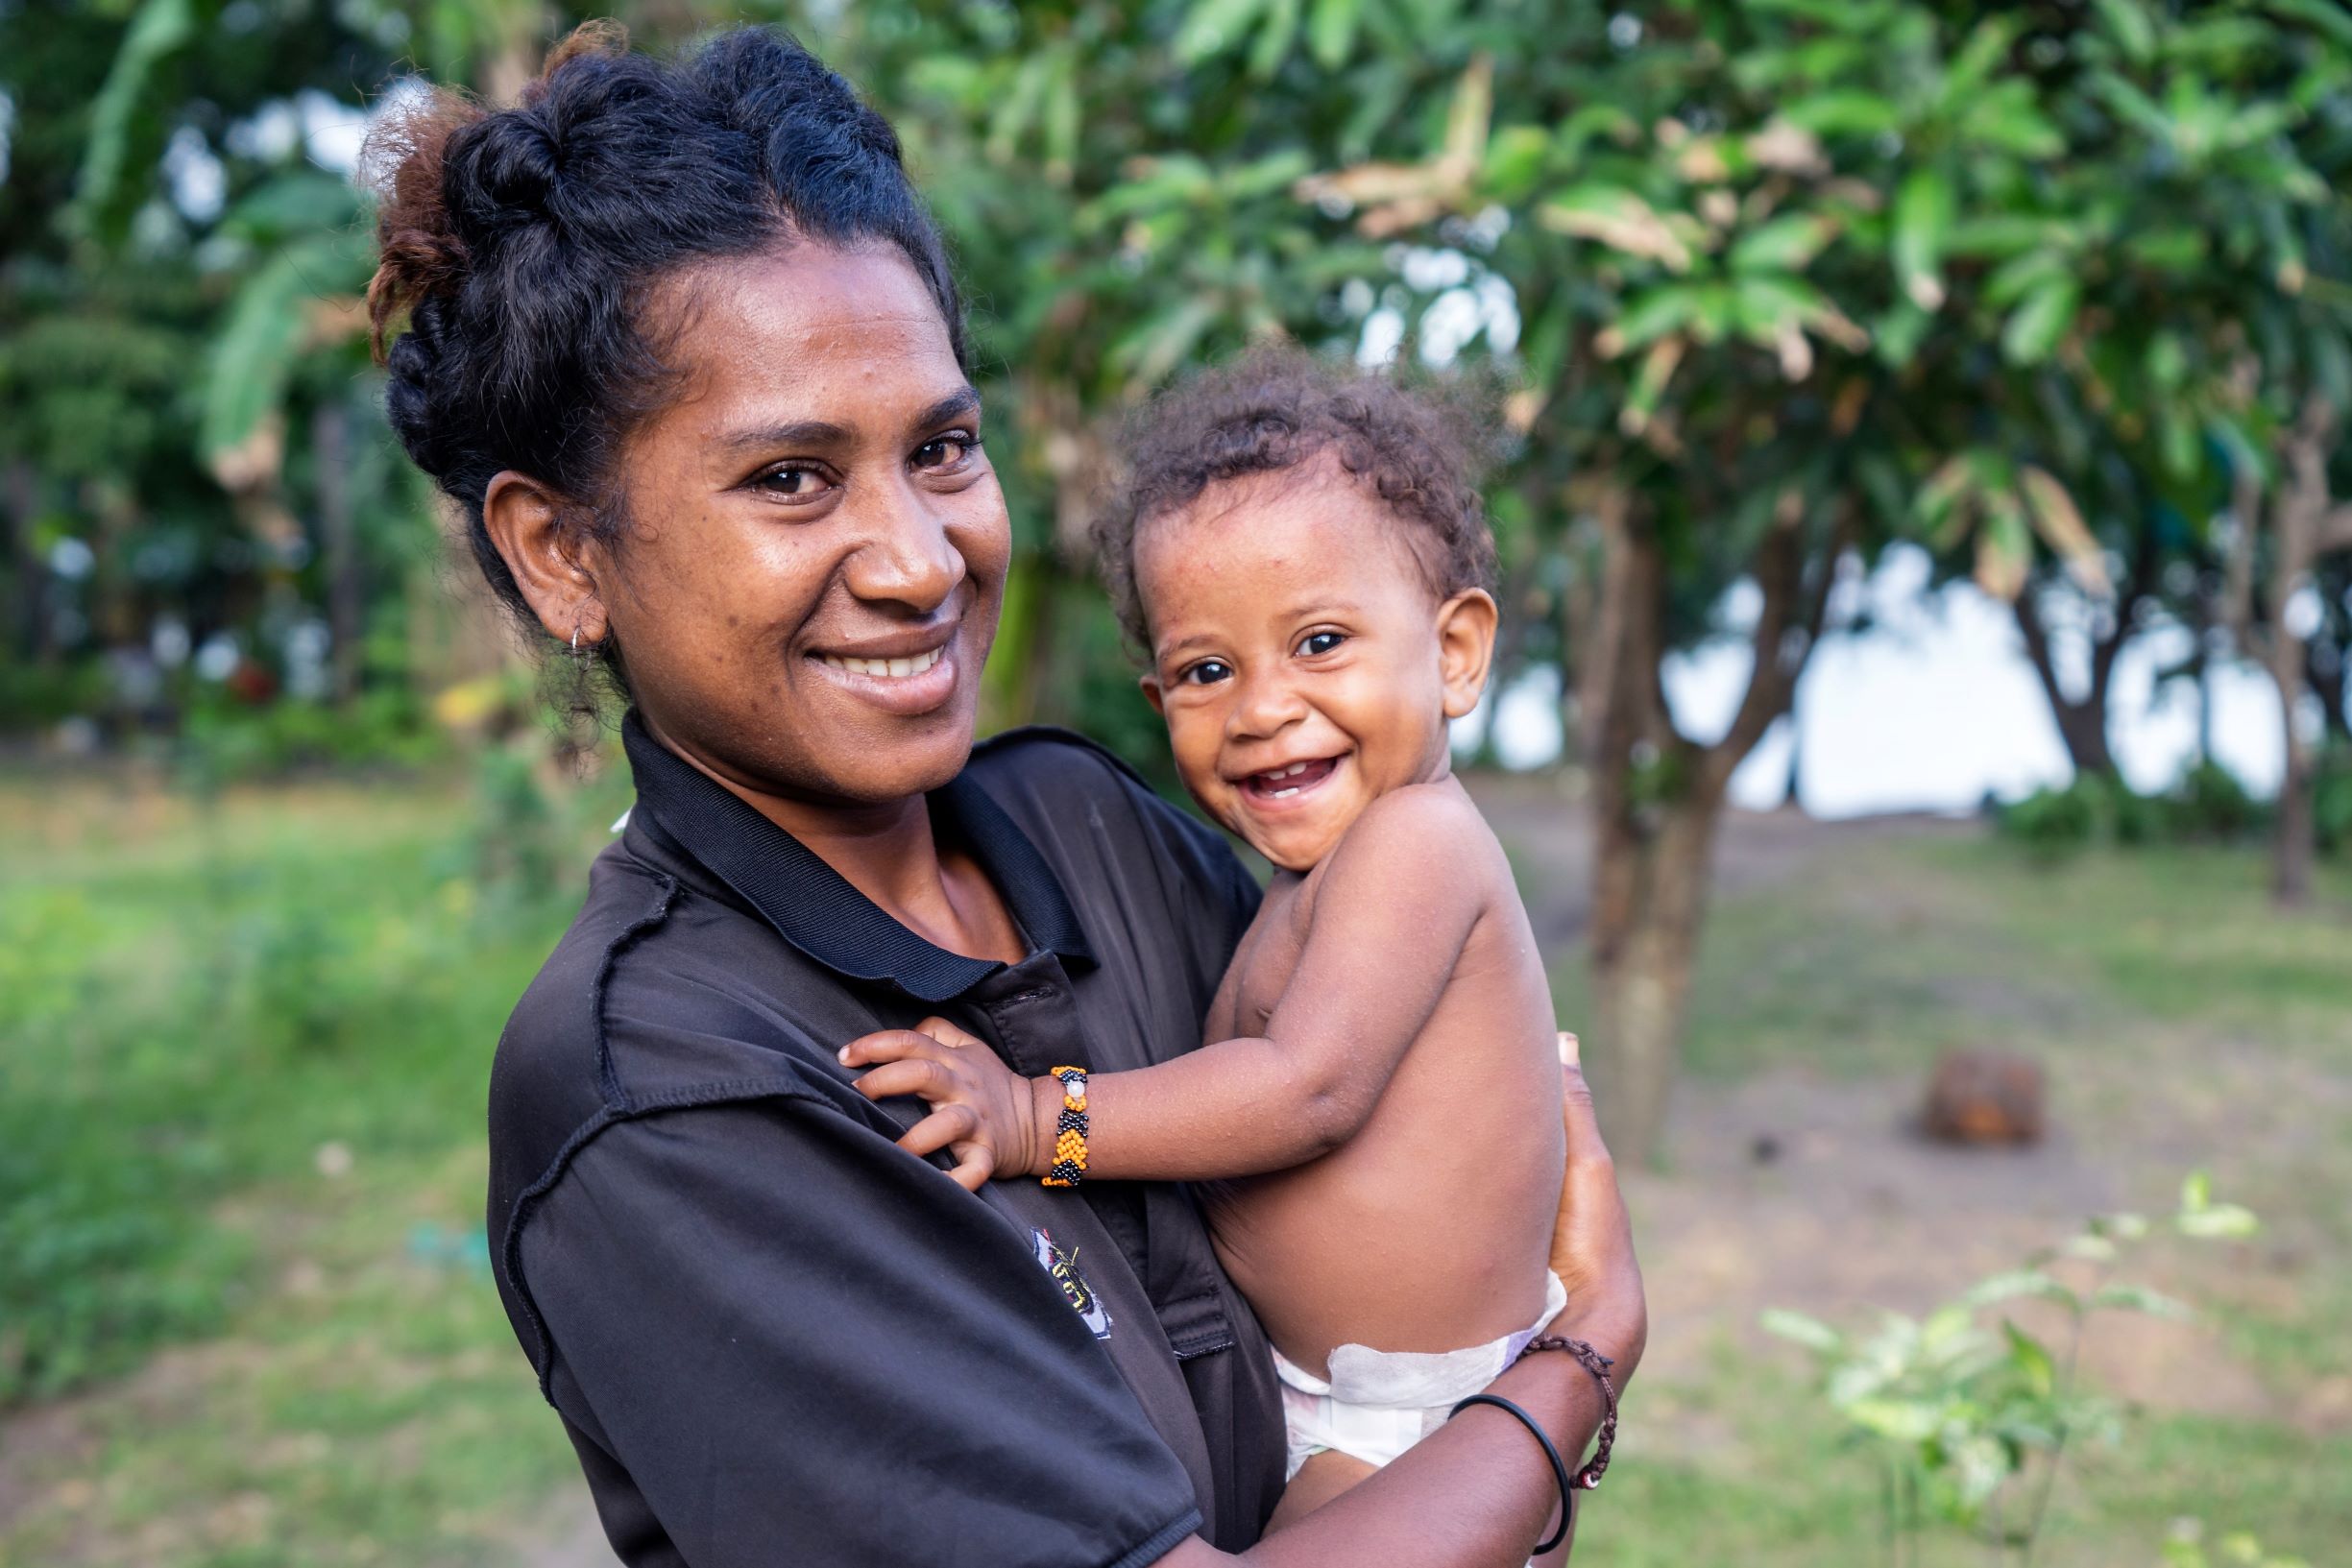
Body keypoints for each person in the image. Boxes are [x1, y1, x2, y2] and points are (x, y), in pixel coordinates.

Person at [365, 21, 1644, 1567]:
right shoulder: (670, 1088)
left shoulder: (1083, 830)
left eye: (943, 446)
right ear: (564, 554)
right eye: (790, 478)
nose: (918, 562)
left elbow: (1371, 1120)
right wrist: (1567, 1376)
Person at [842, 351, 1574, 1524]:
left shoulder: (1417, 845)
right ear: (1157, 704)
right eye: (1208, 669)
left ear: (1454, 653)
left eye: (1322, 642)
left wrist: (1041, 1118)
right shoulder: (1312, 874)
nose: (1262, 707)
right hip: (1325, 1396)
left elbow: (1308, 1086)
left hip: (1407, 1425)